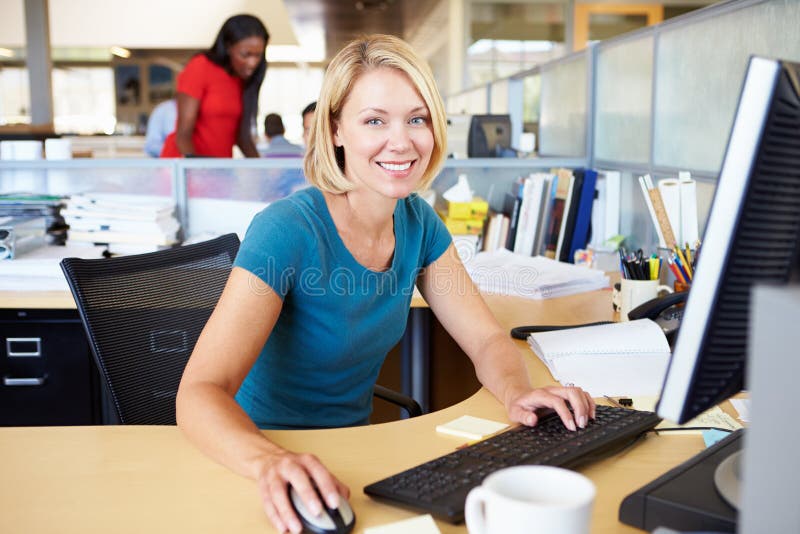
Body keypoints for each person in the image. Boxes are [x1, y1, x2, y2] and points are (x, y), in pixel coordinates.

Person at [176, 34, 595, 534]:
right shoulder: (286, 230)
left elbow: (484, 338)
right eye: (375, 120)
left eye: (416, 119)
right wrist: (267, 461)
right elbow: (200, 391)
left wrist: (517, 393)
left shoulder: (419, 225)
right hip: (264, 462)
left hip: (356, 454)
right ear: (334, 130)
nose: (402, 142)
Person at [160, 14, 269, 158]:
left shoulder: (241, 78)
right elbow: (183, 135)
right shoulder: (200, 67)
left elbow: (243, 138)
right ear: (228, 46)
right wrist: (201, 172)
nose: (252, 63)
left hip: (218, 167)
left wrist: (264, 172)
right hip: (186, 166)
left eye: (258, 55)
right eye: (245, 54)